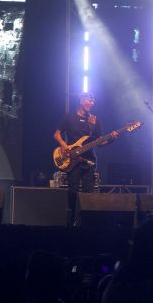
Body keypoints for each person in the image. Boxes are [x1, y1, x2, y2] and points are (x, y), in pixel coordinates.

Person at [54, 92, 117, 224]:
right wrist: (65, 146)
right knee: (73, 191)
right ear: (82, 101)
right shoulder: (68, 117)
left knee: (88, 194)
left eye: (93, 101)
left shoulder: (94, 120)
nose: (92, 103)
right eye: (90, 100)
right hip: (72, 159)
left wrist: (111, 139)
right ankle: (70, 223)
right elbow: (57, 134)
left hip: (89, 161)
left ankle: (87, 222)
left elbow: (100, 142)